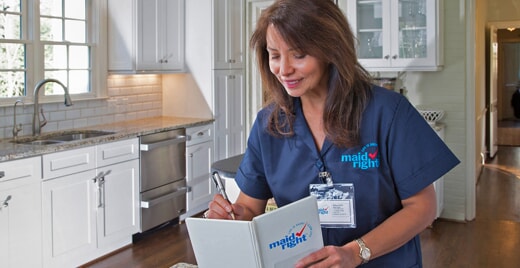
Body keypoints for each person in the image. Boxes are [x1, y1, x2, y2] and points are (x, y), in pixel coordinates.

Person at [205, 0, 460, 267]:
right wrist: (229, 216)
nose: (284, 69)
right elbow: (249, 206)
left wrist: (356, 252)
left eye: (299, 54)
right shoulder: (269, 125)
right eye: (275, 55)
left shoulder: (388, 113)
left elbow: (422, 207)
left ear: (330, 50)